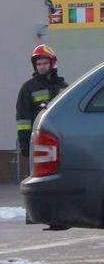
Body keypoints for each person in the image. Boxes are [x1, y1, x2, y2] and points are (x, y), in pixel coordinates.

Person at [16, 45, 68, 179]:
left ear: (52, 63)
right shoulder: (28, 88)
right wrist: (25, 143)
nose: (41, 67)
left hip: (61, 140)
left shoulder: (63, 86)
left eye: (45, 63)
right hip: (39, 140)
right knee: (40, 177)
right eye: (38, 64)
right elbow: (23, 118)